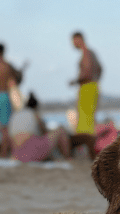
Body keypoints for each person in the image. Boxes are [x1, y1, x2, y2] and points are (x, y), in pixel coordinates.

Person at [9, 92, 72, 162]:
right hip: (32, 153)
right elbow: (44, 132)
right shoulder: (34, 114)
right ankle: (68, 158)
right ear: (35, 106)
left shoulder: (16, 114)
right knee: (61, 130)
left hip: (16, 155)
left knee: (38, 141)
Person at [68, 31, 102, 159]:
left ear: (79, 39)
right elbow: (100, 68)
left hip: (87, 88)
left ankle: (89, 152)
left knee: (85, 122)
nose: (72, 44)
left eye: (73, 41)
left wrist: (76, 81)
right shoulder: (91, 53)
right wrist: (95, 81)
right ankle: (90, 151)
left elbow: (86, 73)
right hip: (91, 87)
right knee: (88, 121)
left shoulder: (86, 54)